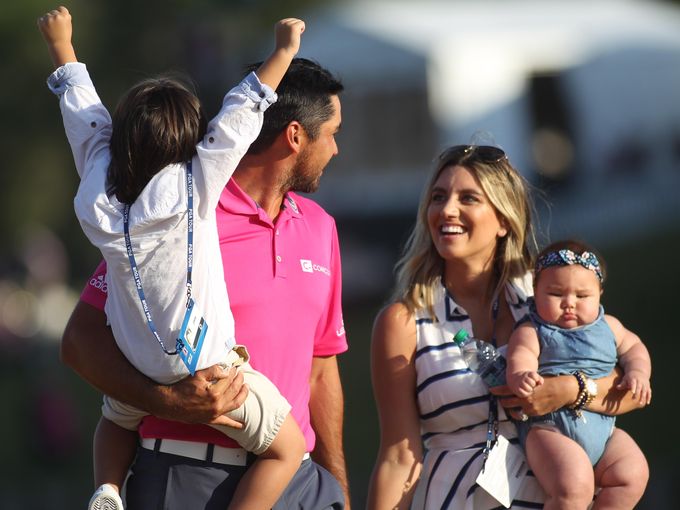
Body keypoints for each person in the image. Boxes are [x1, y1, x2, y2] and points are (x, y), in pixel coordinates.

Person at [59, 36, 349, 510]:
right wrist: (165, 401)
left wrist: (337, 487)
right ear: (295, 135)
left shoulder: (320, 228)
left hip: (298, 485)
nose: (336, 149)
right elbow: (79, 342)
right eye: (333, 133)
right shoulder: (184, 218)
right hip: (183, 478)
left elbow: (321, 370)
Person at [367, 144, 649, 509]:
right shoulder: (404, 321)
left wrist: (566, 390)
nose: (447, 210)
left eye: (468, 198)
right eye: (438, 197)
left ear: (503, 219)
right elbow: (397, 457)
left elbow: (626, 389)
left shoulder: (550, 299)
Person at [506, 239, 651, 509]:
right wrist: (522, 375)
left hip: (603, 430)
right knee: (574, 486)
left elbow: (635, 348)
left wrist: (638, 372)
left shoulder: (610, 326)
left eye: (582, 296)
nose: (569, 303)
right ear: (535, 292)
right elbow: (520, 355)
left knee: (633, 473)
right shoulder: (532, 330)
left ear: (599, 294)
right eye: (556, 294)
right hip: (549, 428)